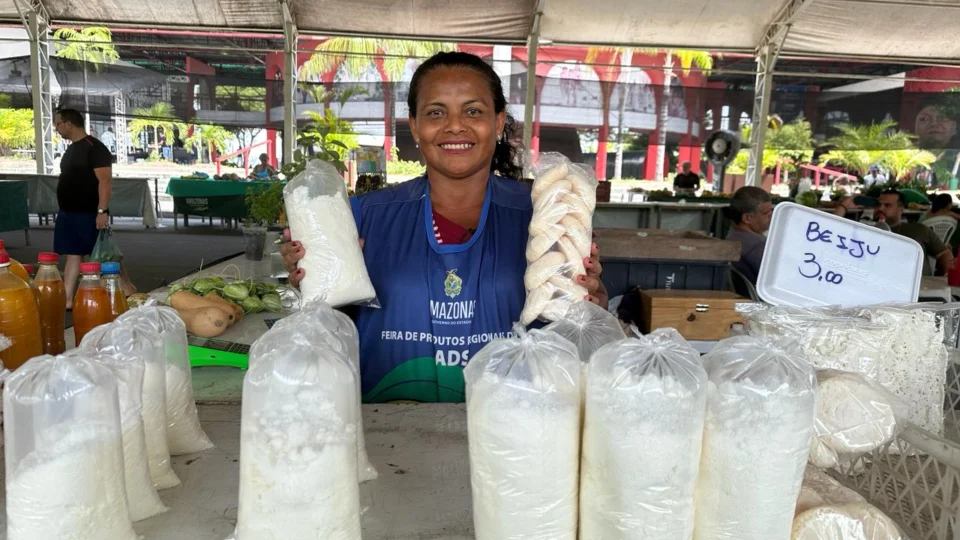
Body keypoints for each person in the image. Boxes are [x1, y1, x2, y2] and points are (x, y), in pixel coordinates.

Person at [280, 52, 607, 403]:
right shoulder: (364, 216)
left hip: (514, 423)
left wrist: (592, 300)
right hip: (388, 430)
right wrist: (312, 288)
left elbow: (576, 330)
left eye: (473, 111)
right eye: (436, 112)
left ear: (498, 124)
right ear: (416, 125)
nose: (454, 125)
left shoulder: (546, 215)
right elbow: (330, 328)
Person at [54, 108, 136, 307]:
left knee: (105, 255)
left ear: (69, 124)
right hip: (68, 212)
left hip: (89, 213)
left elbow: (105, 181)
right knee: (73, 254)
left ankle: (128, 289)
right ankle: (66, 299)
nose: (56, 128)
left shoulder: (95, 148)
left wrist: (102, 210)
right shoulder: (71, 148)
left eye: (58, 123)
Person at [877, 189, 954, 276]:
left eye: (887, 205)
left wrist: (941, 281)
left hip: (921, 285)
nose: (880, 208)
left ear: (901, 209)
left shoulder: (918, 230)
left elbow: (945, 254)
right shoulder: (867, 232)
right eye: (878, 205)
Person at [724, 186, 773, 285]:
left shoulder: (733, 236)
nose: (771, 217)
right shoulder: (757, 246)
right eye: (766, 214)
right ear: (747, 218)